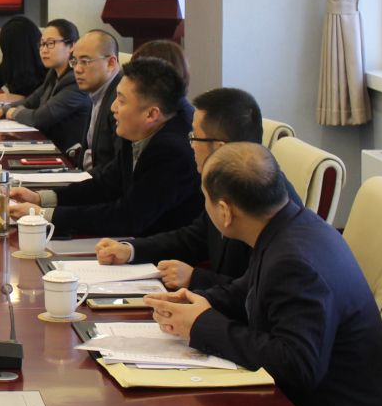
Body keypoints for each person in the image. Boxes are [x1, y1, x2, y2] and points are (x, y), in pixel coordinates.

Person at [147, 143, 382, 406]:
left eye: (206, 200)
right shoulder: (290, 226)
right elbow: (249, 289)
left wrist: (202, 325)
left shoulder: (295, 260)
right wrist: (198, 302)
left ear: (224, 211)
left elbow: (295, 364)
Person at [94, 86, 300, 290]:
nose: (190, 145)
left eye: (194, 137)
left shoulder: (263, 200)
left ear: (219, 148)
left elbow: (257, 291)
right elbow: (195, 237)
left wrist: (195, 278)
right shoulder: (225, 182)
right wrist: (130, 250)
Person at [9, 57, 201, 239]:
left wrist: (44, 215)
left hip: (163, 254)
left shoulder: (173, 152)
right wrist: (41, 199)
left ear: (151, 114)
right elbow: (106, 185)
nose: (113, 107)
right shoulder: (138, 128)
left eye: (122, 101)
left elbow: (128, 217)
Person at [0, 17, 89, 154]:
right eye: (42, 44)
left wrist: (13, 113)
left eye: (50, 43)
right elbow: (30, 102)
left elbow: (39, 118)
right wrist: (4, 109)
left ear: (72, 46)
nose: (43, 50)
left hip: (66, 155)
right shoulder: (53, 74)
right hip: (48, 146)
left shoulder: (75, 81)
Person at [61, 29, 122, 175]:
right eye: (75, 62)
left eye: (85, 61)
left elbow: (116, 168)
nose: (77, 69)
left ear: (111, 63)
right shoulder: (96, 91)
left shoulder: (120, 100)